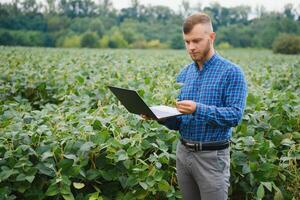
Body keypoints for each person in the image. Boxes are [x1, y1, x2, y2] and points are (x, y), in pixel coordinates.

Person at [142, 12, 247, 200]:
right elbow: (180, 122)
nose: (191, 47)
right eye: (187, 42)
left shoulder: (232, 72)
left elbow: (234, 116)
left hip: (212, 157)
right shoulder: (184, 75)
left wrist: (198, 109)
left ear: (211, 37)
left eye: (196, 41)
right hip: (183, 154)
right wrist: (158, 116)